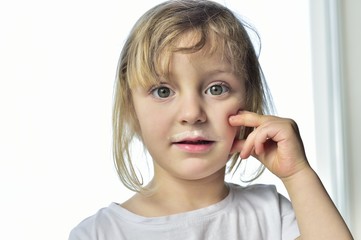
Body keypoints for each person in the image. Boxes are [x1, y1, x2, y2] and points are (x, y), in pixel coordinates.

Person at [69, 0, 353, 239]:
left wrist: (297, 175)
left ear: (248, 104)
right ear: (132, 110)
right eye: (163, 91)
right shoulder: (100, 233)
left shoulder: (271, 215)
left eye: (216, 89)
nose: (192, 113)